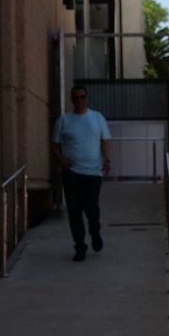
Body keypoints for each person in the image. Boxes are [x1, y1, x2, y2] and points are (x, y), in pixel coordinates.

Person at [52, 85, 112, 261]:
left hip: (93, 173)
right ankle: (80, 246)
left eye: (82, 97)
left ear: (87, 98)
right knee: (74, 211)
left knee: (92, 209)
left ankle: (95, 232)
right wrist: (62, 162)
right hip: (72, 173)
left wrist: (107, 160)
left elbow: (105, 141)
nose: (79, 101)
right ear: (72, 100)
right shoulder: (64, 121)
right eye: (76, 98)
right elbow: (55, 146)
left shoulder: (97, 118)